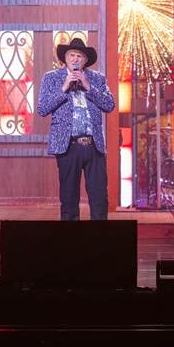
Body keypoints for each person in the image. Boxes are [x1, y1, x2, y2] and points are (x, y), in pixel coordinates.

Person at [37, 38, 115, 221]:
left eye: (79, 56)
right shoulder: (51, 78)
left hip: (94, 146)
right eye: (71, 55)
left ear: (85, 60)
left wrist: (88, 87)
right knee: (69, 200)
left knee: (99, 200)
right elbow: (42, 109)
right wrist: (64, 87)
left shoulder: (97, 78)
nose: (75, 59)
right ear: (65, 58)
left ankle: (100, 238)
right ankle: (71, 238)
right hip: (68, 146)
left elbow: (109, 105)